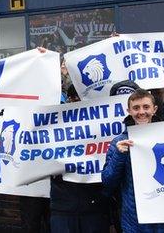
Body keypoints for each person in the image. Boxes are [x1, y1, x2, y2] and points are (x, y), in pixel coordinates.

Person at [102, 89, 164, 232]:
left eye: (146, 107)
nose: (141, 112)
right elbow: (108, 183)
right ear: (129, 111)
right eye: (136, 108)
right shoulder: (120, 142)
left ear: (155, 109)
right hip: (134, 220)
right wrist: (118, 156)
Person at [50, 85, 110, 233]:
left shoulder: (103, 126)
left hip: (94, 206)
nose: (77, 102)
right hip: (62, 206)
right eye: (74, 98)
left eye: (81, 98)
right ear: (68, 99)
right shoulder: (52, 127)